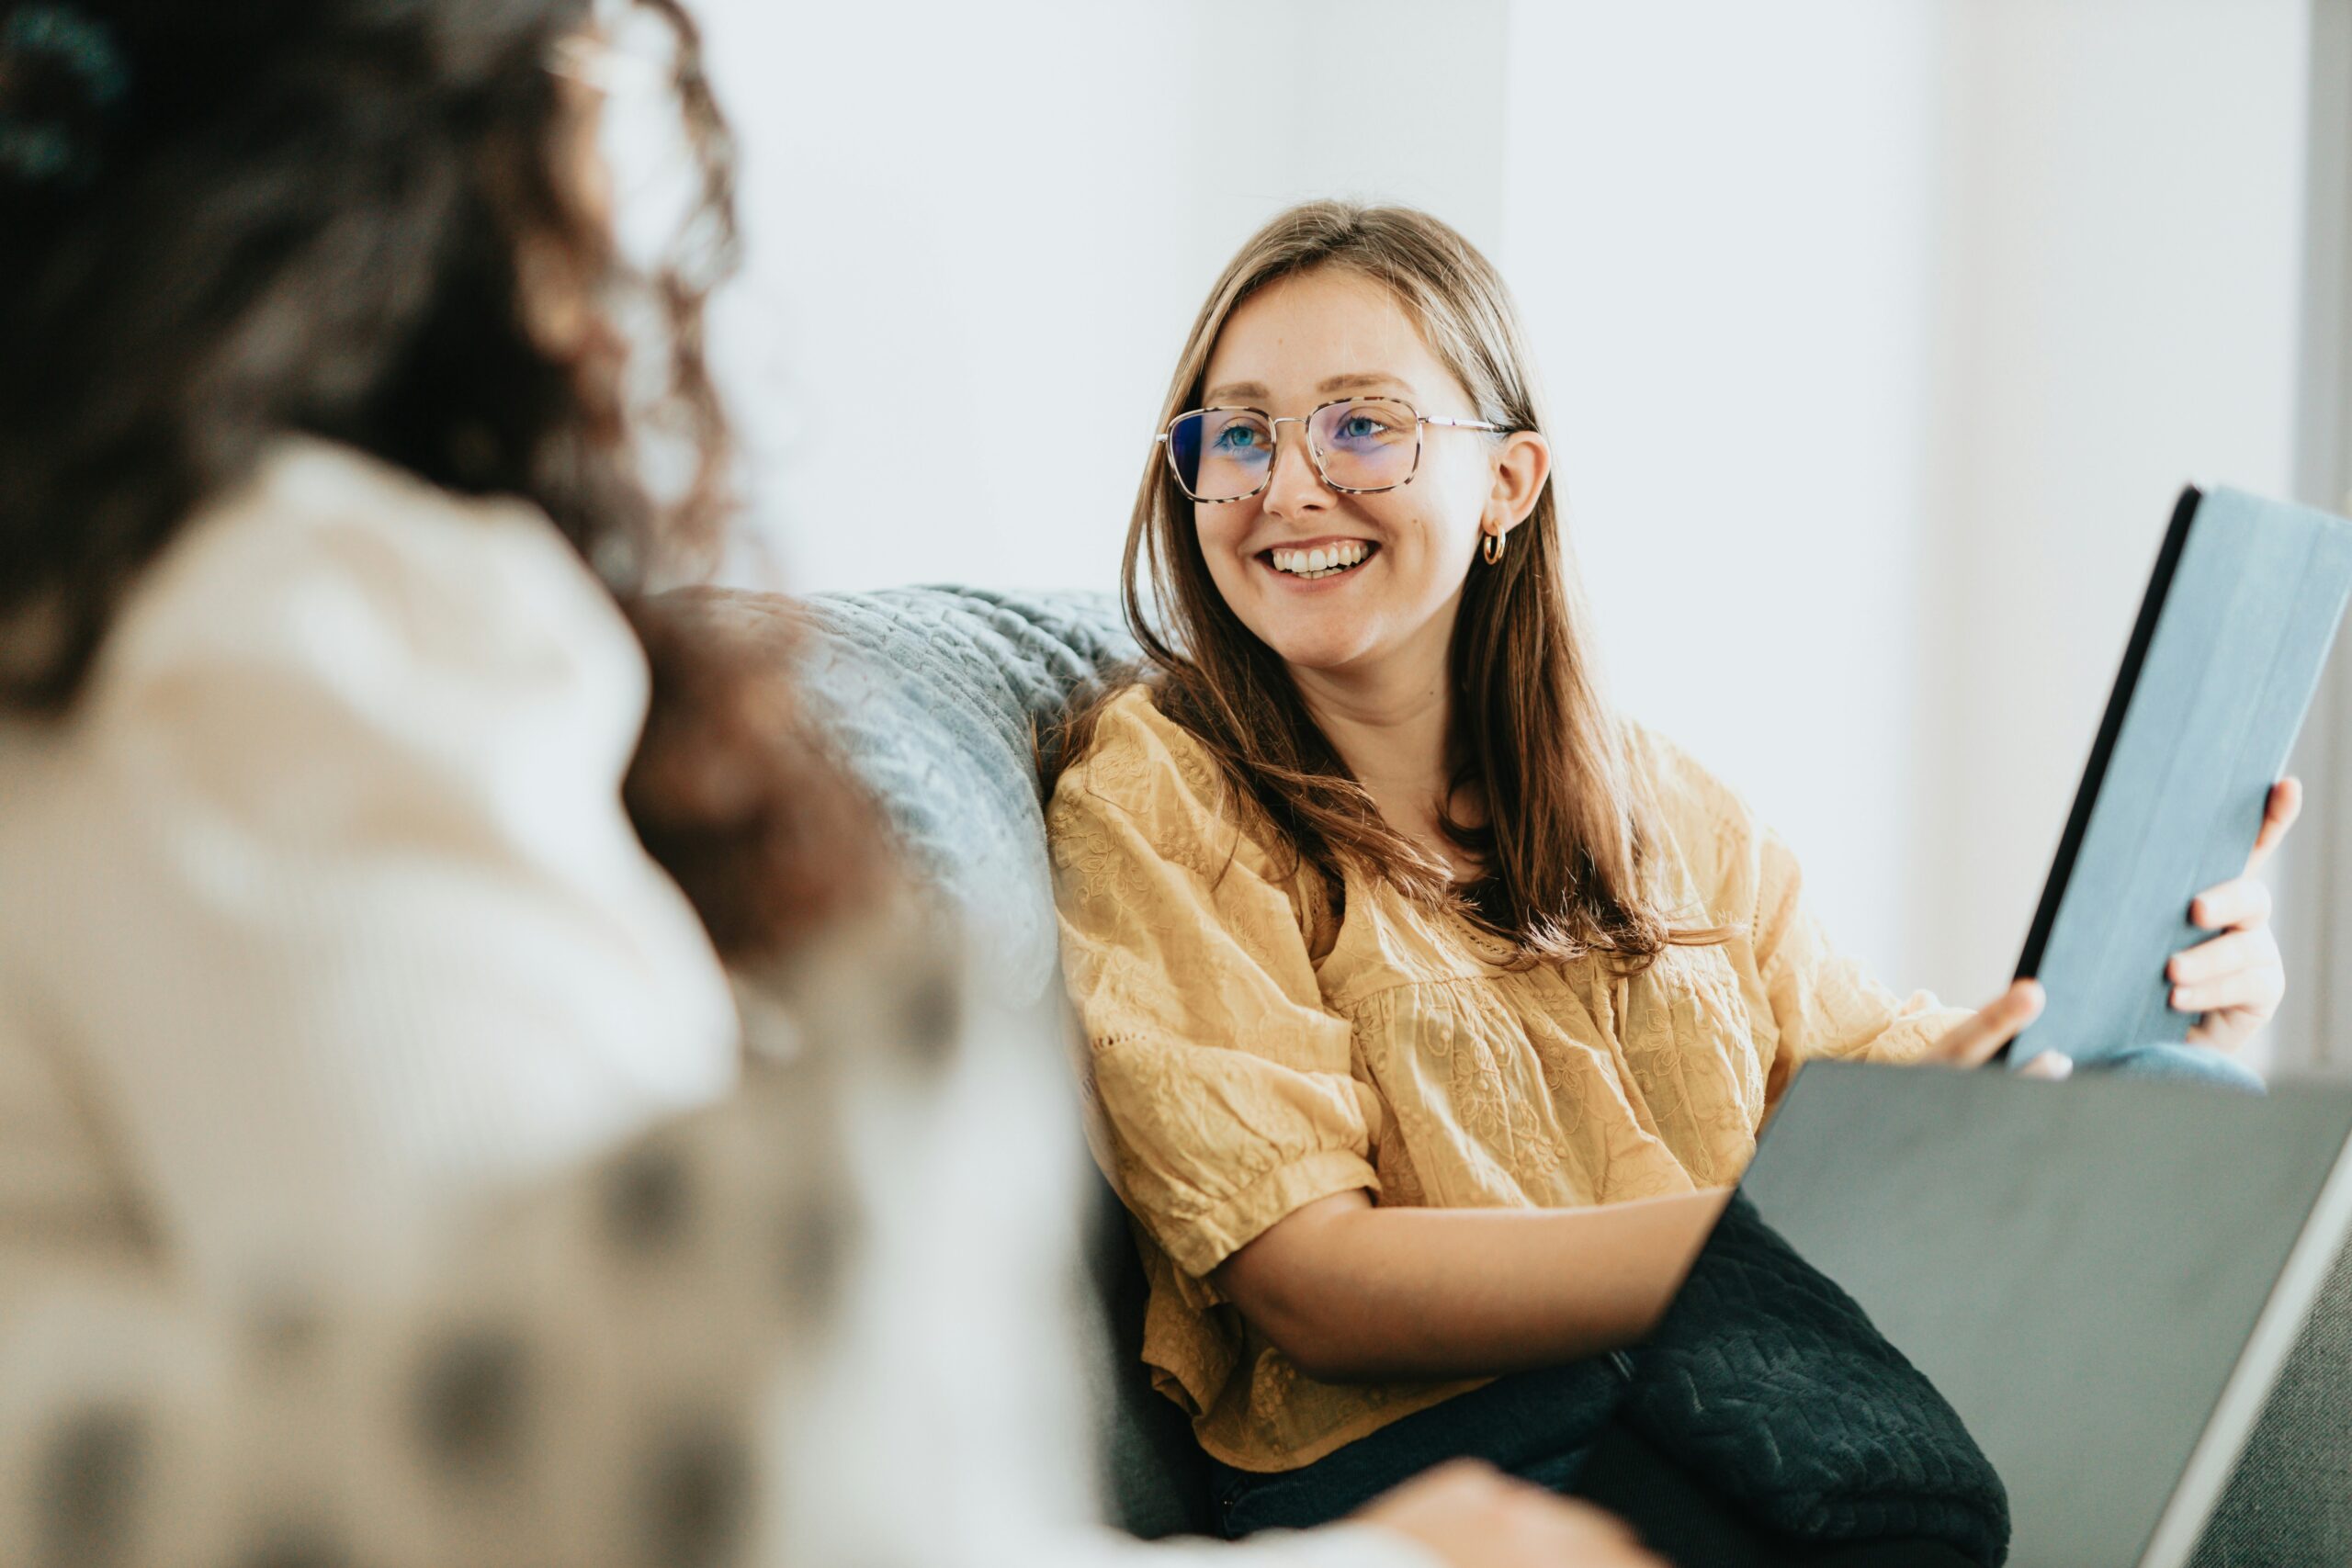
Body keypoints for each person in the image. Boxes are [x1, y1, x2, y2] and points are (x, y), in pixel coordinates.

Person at [0, 6, 1655, 1565]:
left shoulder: (1642, 813)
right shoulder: (284, 632)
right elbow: (665, 1497)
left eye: (1366, 428)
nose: (616, 154)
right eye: (582, 61)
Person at [1044, 199, 2301, 1553]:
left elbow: (1879, 1086)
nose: (1289, 488)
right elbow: (1311, 1281)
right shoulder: (1161, 791)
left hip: (1756, 1390)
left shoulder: (1658, 804)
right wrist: (1770, 1243)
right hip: (1448, 1464)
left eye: (1362, 424)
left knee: (2197, 1114)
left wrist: (2152, 1014)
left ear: (1510, 484)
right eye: (1238, 435)